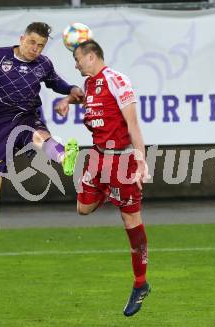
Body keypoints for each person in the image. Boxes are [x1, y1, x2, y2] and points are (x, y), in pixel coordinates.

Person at [0, 22, 83, 276]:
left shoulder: (44, 64)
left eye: (40, 45)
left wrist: (72, 90)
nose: (35, 49)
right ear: (21, 39)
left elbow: (57, 83)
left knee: (39, 135)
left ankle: (64, 155)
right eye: (32, 42)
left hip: (27, 117)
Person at [55, 40, 150, 317]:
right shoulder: (89, 86)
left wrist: (140, 157)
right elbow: (85, 98)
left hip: (121, 160)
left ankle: (141, 284)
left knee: (131, 220)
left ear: (91, 56)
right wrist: (67, 100)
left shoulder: (117, 80)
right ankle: (111, 195)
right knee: (82, 209)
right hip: (98, 159)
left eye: (77, 59)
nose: (75, 64)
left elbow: (132, 124)